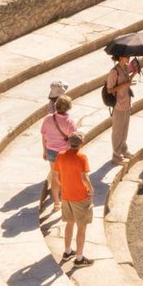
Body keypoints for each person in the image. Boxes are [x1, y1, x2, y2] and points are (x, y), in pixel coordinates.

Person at [54, 134, 94, 267]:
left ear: (69, 143)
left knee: (69, 223)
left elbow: (56, 176)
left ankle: (67, 252)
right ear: (82, 143)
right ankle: (79, 259)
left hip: (66, 196)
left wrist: (63, 186)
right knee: (81, 227)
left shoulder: (60, 155)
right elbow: (84, 177)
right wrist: (91, 189)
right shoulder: (82, 157)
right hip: (80, 197)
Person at [39, 92, 75, 206]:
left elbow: (43, 136)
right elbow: (73, 139)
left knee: (55, 176)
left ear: (56, 105)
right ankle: (65, 199)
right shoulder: (69, 121)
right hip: (64, 152)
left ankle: (56, 203)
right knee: (64, 175)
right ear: (68, 107)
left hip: (50, 150)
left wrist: (44, 151)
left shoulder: (48, 118)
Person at [106, 53, 134, 164]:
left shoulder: (126, 68)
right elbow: (109, 89)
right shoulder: (114, 72)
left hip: (127, 102)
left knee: (125, 129)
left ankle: (123, 149)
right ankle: (116, 156)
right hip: (118, 104)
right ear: (121, 57)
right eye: (127, 56)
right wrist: (125, 84)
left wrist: (135, 72)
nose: (129, 58)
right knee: (117, 131)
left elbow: (127, 82)